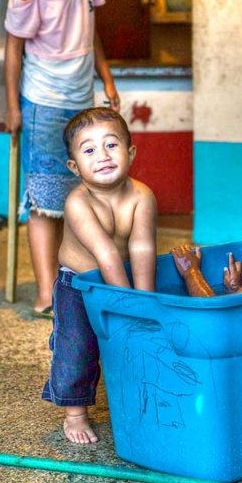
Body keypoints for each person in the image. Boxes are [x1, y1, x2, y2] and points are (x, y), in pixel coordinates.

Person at [3, 0, 120, 319]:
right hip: (42, 102)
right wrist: (13, 107)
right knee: (45, 201)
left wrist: (106, 78)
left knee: (83, 194)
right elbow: (13, 48)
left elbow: (93, 32)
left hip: (82, 97)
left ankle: (78, 284)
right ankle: (46, 293)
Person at [43, 107, 157, 444]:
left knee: (137, 339)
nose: (103, 156)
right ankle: (75, 413)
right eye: (89, 150)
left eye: (111, 145)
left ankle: (140, 396)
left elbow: (142, 249)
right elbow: (105, 254)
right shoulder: (78, 202)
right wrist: (127, 306)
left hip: (119, 280)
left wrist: (145, 302)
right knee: (77, 347)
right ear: (75, 167)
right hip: (78, 285)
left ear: (131, 152)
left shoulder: (142, 196)